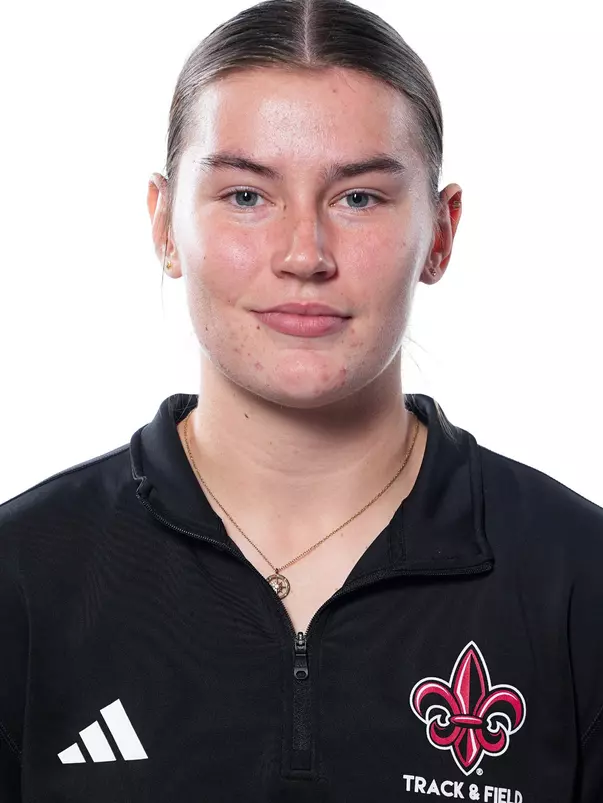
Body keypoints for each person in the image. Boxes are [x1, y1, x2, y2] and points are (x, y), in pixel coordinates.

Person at [1, 0, 602, 800]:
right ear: (164, 224)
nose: (303, 254)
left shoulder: (577, 579)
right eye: (247, 195)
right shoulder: (23, 575)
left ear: (442, 232)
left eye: (358, 198)